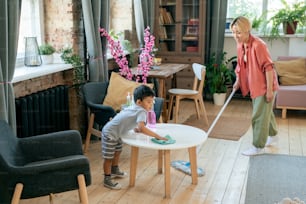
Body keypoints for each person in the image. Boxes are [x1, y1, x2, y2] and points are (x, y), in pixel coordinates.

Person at [101, 85, 168, 189]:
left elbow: (128, 119)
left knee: (117, 151)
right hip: (110, 133)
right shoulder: (142, 111)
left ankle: (114, 169)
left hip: (117, 132)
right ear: (139, 102)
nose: (151, 105)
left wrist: (135, 128)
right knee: (108, 157)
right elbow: (142, 127)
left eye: (152, 101)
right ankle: (107, 178)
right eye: (148, 102)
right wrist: (157, 136)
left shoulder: (135, 106)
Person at [230, 16, 279, 156]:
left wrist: (269, 90)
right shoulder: (240, 45)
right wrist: (238, 80)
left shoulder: (258, 45)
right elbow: (240, 65)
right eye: (234, 32)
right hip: (254, 84)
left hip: (264, 86)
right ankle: (273, 136)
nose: (236, 36)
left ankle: (258, 146)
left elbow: (269, 68)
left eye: (238, 32)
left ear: (247, 30)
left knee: (258, 116)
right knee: (265, 113)